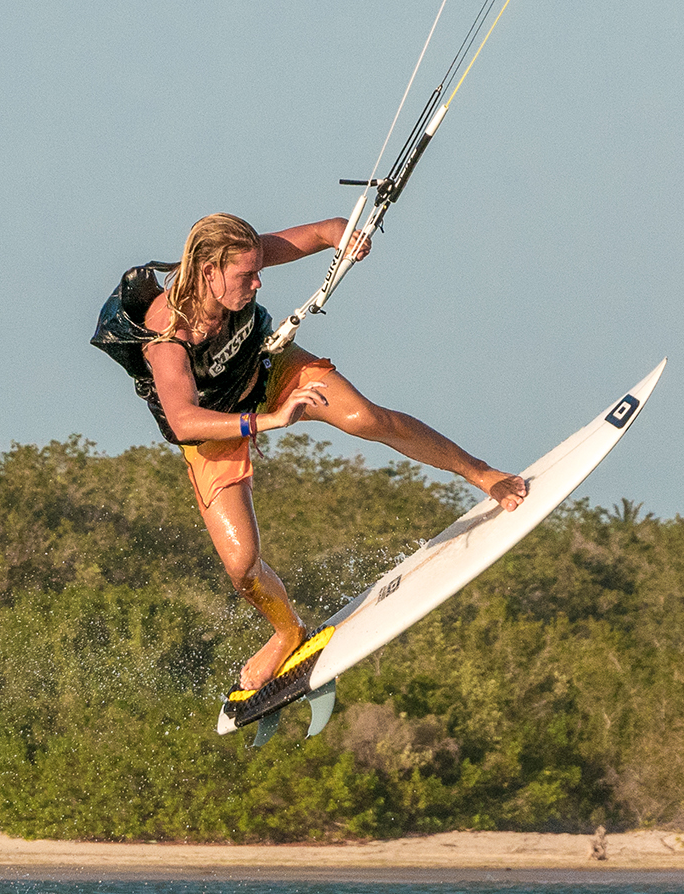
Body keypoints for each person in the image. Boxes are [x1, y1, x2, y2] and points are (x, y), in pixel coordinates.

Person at [91, 212, 527, 703]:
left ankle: (481, 473)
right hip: (215, 430)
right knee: (242, 567)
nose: (258, 283)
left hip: (270, 373)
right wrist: (269, 421)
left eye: (259, 270)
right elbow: (184, 421)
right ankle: (287, 631)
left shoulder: (239, 262)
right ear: (209, 271)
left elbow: (326, 230)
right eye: (246, 276)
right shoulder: (168, 337)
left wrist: (347, 239)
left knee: (365, 418)